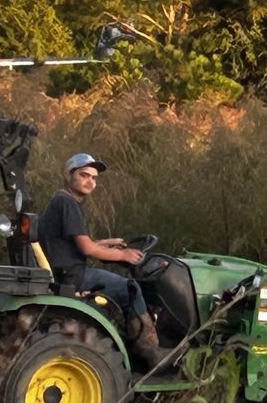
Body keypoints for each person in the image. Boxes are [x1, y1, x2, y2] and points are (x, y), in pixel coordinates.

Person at [39, 153, 172, 369]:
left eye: (93, 177)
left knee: (120, 283)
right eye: (84, 175)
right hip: (74, 276)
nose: (90, 181)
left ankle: (130, 339)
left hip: (65, 271)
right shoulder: (67, 203)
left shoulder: (61, 200)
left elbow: (80, 243)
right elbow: (87, 249)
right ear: (69, 175)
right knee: (130, 288)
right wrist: (124, 255)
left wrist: (109, 243)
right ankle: (151, 351)